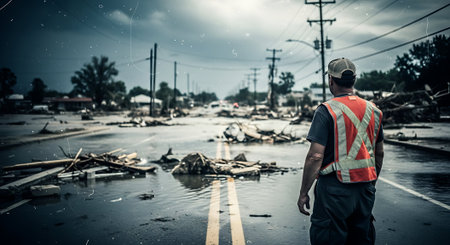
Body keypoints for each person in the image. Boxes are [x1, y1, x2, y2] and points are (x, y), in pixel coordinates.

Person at [297, 57, 384, 245]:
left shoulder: (326, 110)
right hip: (365, 189)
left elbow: (315, 156)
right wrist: (371, 184)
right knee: (361, 239)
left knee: (329, 238)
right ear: (354, 80)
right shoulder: (374, 110)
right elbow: (379, 153)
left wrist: (304, 192)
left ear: (330, 80)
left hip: (334, 190)